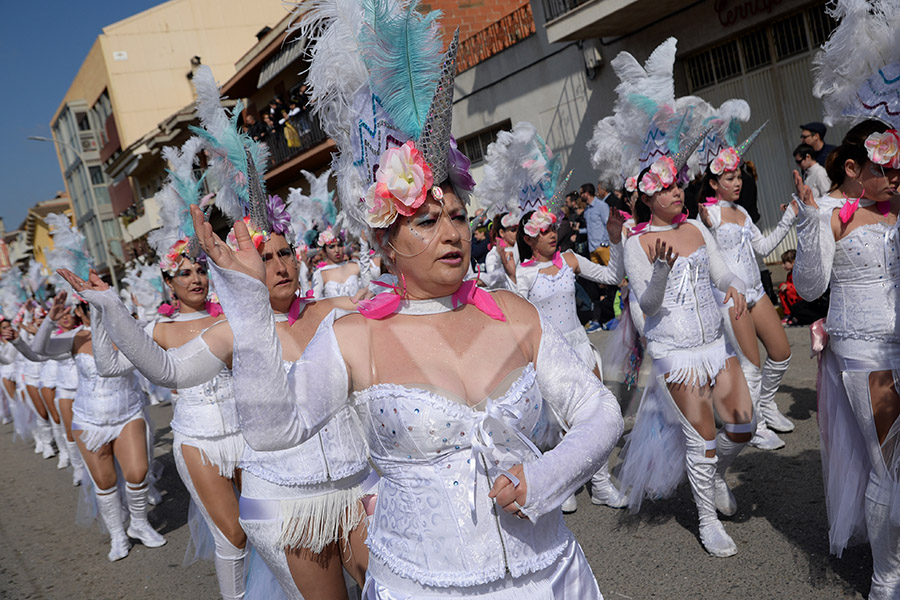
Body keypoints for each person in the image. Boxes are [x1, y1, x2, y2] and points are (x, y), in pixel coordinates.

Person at [199, 2, 624, 595]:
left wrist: (545, 476)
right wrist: (246, 303)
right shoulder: (355, 337)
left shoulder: (514, 314)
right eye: (425, 220)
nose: (451, 231)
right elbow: (273, 430)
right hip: (421, 583)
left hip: (549, 576)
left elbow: (600, 412)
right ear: (385, 240)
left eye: (456, 215)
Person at [695, 108, 798, 449]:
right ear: (713, 183)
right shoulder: (707, 213)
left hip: (756, 291)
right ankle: (753, 426)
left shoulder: (741, 212)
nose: (737, 182)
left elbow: (764, 245)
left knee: (781, 353)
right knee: (751, 365)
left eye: (738, 176)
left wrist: (790, 219)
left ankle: (766, 404)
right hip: (730, 297)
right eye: (729, 178)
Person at [311, 227, 366, 299]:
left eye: (339, 245)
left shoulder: (356, 265)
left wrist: (365, 245)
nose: (337, 250)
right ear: (324, 250)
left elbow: (369, 288)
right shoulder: (320, 274)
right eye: (332, 247)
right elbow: (315, 301)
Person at [777, 249, 827, 326]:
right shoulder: (790, 274)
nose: (782, 265)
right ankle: (789, 314)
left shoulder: (801, 272)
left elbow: (802, 286)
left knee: (789, 292)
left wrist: (788, 287)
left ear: (793, 262)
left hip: (804, 300)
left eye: (784, 262)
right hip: (798, 300)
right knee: (782, 292)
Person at [581, 183, 611, 264]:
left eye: (581, 193)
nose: (580, 196)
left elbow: (608, 224)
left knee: (611, 272)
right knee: (596, 275)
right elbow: (590, 228)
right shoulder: (587, 210)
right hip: (592, 248)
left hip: (602, 247)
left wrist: (604, 243)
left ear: (586, 193)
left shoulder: (601, 206)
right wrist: (579, 231)